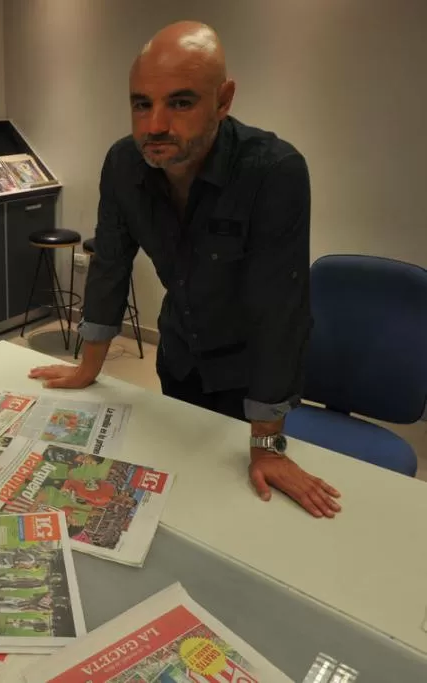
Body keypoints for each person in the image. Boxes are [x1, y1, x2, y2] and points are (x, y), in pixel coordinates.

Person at [29, 21, 342, 519]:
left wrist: (267, 445)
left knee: (243, 509)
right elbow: (110, 262)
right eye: (140, 103)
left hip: (249, 371)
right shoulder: (123, 164)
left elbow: (277, 310)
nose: (154, 125)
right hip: (178, 357)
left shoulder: (273, 171)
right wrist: (88, 366)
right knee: (179, 501)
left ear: (223, 100)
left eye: (180, 102)